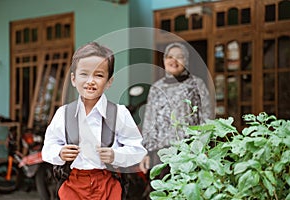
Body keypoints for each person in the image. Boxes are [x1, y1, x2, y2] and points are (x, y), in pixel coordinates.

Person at [42, 42, 147, 200]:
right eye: (84, 74)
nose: (90, 81)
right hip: (72, 185)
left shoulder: (120, 114)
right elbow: (47, 149)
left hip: (108, 184)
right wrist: (60, 153)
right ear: (73, 79)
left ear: (109, 82)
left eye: (98, 75)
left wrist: (115, 155)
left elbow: (138, 151)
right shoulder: (63, 114)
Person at [139, 42, 214, 193]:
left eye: (179, 57)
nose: (174, 61)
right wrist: (145, 151)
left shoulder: (196, 84)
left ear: (186, 60)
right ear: (164, 60)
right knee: (161, 193)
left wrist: (204, 147)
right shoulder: (156, 88)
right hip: (160, 154)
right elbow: (149, 121)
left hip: (188, 151)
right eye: (169, 57)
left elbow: (207, 118)